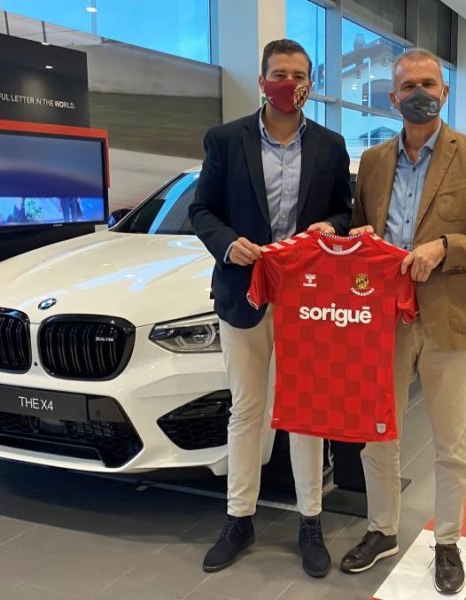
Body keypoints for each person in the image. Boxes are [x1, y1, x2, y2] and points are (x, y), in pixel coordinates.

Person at [340, 48, 466, 594]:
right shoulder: (374, 161)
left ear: (444, 92)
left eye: (429, 84)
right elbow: (359, 230)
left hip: (448, 317)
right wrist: (359, 240)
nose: (420, 93)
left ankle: (447, 541)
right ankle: (381, 529)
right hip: (383, 321)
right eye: (409, 86)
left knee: (449, 441)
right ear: (393, 98)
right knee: (377, 434)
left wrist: (445, 247)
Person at [189, 39, 352, 578]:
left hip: (307, 298)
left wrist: (331, 227)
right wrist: (226, 243)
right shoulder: (224, 139)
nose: (289, 84)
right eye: (279, 74)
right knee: (246, 410)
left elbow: (345, 212)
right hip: (243, 292)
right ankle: (239, 518)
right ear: (262, 82)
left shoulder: (330, 145)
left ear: (310, 83)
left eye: (298, 75)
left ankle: (311, 520)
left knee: (306, 412)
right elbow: (202, 209)